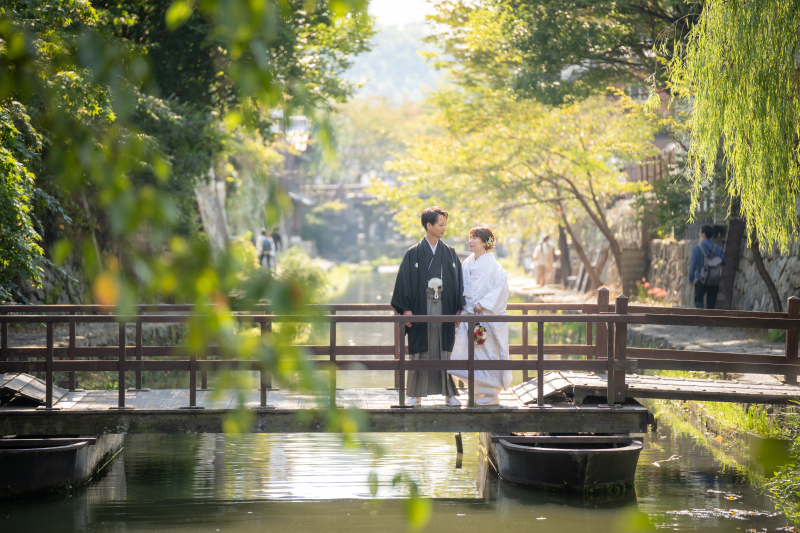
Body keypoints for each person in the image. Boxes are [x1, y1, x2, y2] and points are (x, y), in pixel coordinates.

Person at [391, 206, 465, 407]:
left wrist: (458, 308)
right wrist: (406, 309)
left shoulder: (449, 253)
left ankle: (450, 394)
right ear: (429, 225)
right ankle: (415, 393)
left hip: (445, 308)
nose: (444, 228)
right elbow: (404, 282)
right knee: (419, 350)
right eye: (440, 224)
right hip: (419, 308)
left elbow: (458, 281)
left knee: (446, 350)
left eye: (445, 225)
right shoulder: (413, 253)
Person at [448, 227, 511, 406]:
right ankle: (475, 392)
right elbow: (460, 287)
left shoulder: (494, 266)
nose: (471, 240)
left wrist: (483, 304)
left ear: (485, 242)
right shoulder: (467, 262)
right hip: (469, 316)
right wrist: (460, 309)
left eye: (475, 237)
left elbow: (501, 288)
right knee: (470, 355)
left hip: (486, 317)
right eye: (470, 237)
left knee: (487, 354)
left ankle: (492, 395)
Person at [689, 225, 727, 309]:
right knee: (711, 304)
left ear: (704, 234)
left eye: (700, 232)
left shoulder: (697, 248)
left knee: (698, 300)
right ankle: (709, 321)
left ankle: (701, 318)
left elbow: (693, 265)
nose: (699, 234)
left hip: (700, 279)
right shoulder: (718, 248)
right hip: (714, 280)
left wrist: (691, 279)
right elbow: (724, 262)